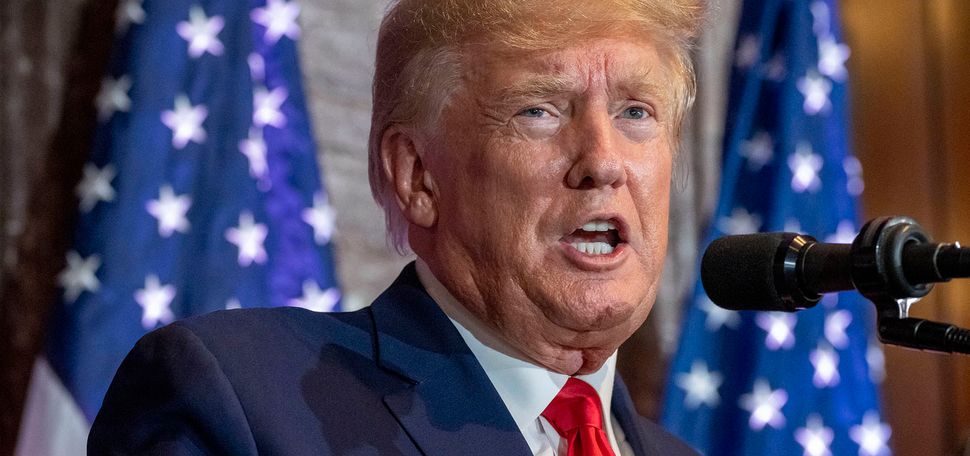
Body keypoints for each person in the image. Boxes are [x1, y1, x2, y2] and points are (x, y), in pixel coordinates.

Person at [89, 0, 706, 454]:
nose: (602, 160)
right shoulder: (241, 400)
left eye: (636, 111)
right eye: (538, 110)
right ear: (417, 176)